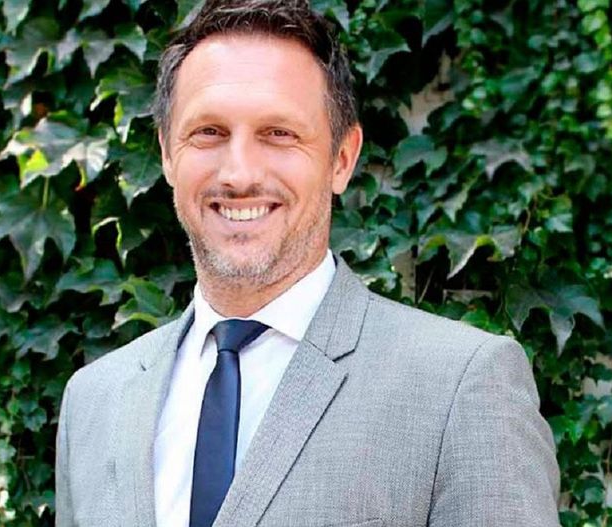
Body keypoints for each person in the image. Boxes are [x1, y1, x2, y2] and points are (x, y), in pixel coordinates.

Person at [54, 1, 560, 526]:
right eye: (209, 132)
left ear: (342, 158)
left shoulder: (460, 386)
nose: (239, 173)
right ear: (166, 153)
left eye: (279, 133)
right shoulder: (94, 400)